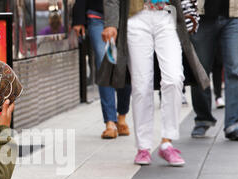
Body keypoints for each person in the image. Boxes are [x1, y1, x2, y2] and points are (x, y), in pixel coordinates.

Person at [100, 0, 210, 166]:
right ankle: (143, 147)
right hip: (136, 17)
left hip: (166, 15)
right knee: (141, 85)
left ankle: (167, 142)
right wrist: (111, 23)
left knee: (174, 78)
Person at [72, 0, 132, 139]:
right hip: (97, 17)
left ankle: (122, 115)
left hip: (124, 18)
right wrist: (78, 18)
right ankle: (110, 122)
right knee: (104, 64)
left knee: (125, 65)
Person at [190, 0, 238, 140]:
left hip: (233, 16)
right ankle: (203, 119)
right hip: (202, 16)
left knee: (235, 69)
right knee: (200, 69)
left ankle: (233, 123)